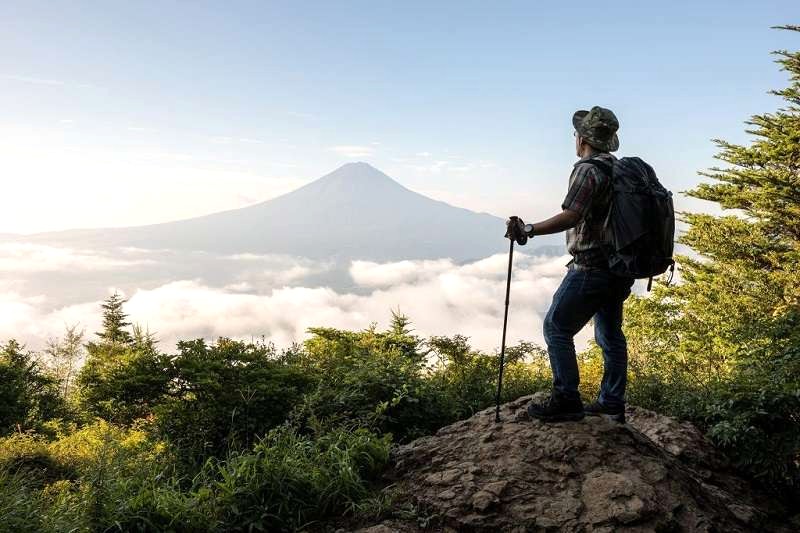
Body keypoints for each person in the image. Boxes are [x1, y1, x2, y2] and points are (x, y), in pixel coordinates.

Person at [505, 106, 634, 423]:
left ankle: (567, 399)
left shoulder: (587, 170)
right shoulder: (617, 169)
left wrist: (529, 230)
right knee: (610, 335)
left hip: (591, 267)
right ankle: (612, 402)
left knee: (556, 327)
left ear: (583, 139)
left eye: (577, 134)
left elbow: (571, 215)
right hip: (619, 269)